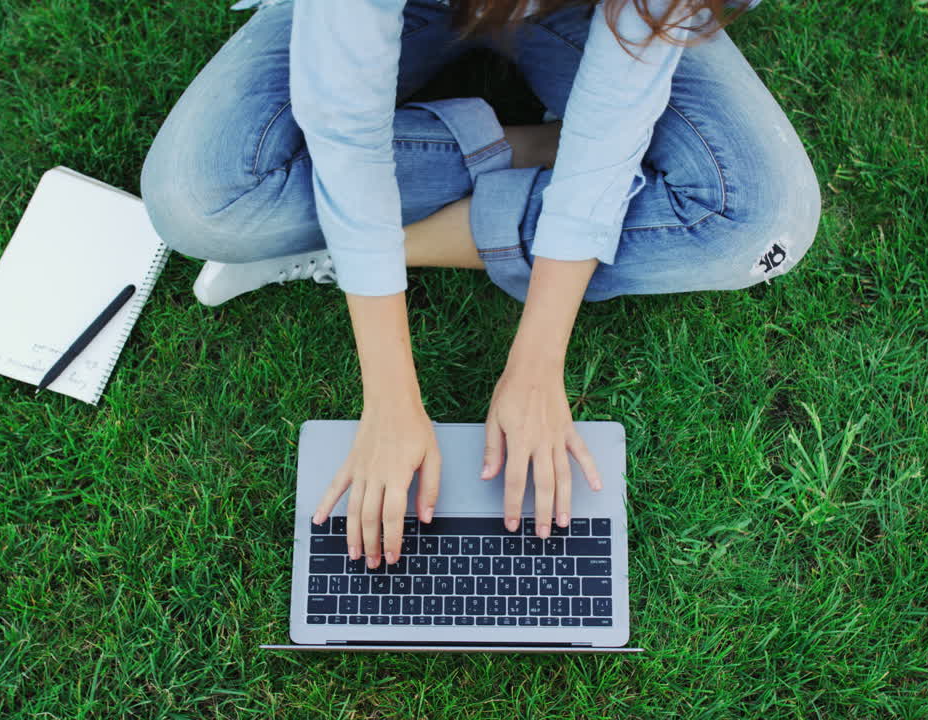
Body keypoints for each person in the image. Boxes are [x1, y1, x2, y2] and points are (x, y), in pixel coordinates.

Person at [141, 0, 820, 571]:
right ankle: (532, 148)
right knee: (198, 199)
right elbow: (346, 132)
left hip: (584, 13)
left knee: (762, 222)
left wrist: (536, 366)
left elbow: (617, 110)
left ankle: (356, 245)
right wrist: (390, 400)